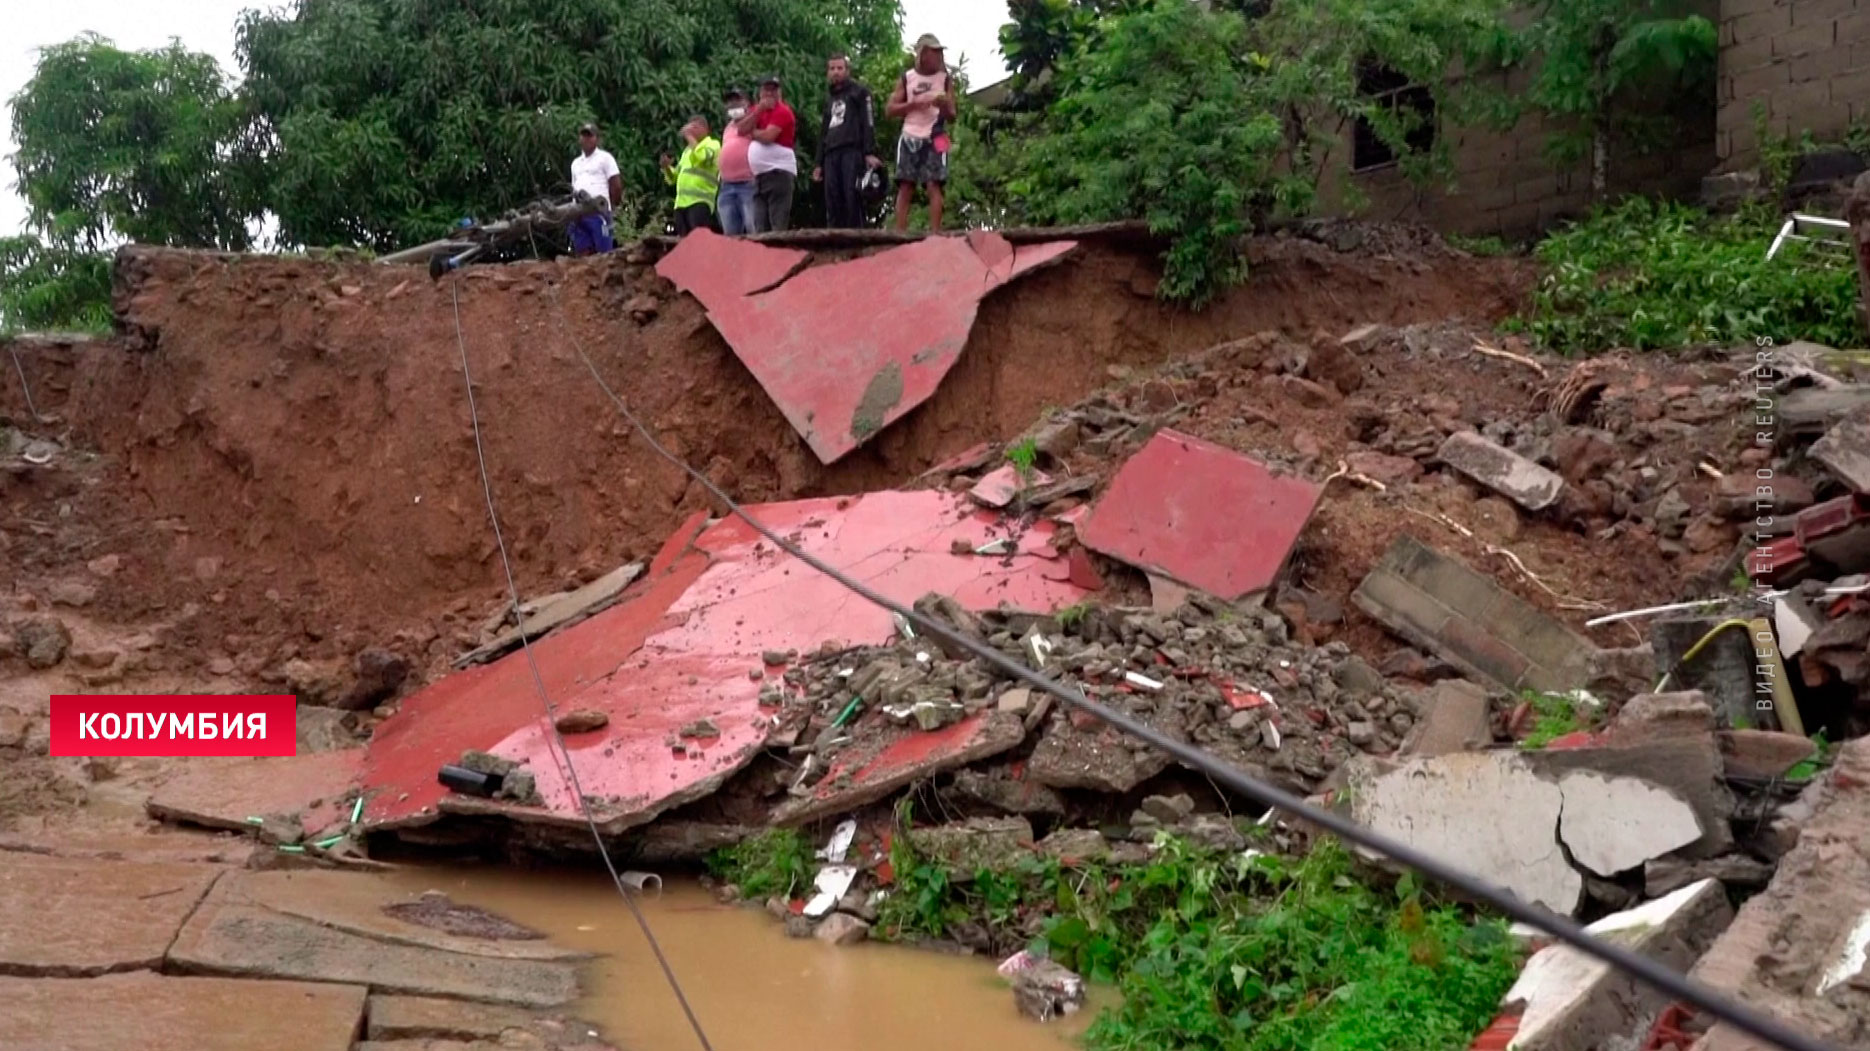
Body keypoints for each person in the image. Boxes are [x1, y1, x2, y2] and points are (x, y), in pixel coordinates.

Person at [886, 35, 957, 233]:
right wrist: (913, 105)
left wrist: (944, 106)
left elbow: (953, 115)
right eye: (935, 52)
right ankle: (900, 231)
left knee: (934, 184)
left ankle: (935, 232)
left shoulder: (945, 80)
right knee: (905, 185)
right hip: (909, 134)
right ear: (924, 54)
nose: (939, 56)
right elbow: (890, 110)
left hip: (937, 135)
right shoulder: (907, 78)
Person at [812, 53, 881, 229]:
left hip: (852, 151)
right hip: (831, 154)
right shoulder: (829, 98)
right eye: (832, 68)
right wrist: (818, 163)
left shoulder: (859, 92)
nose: (836, 72)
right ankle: (834, 242)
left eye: (839, 68)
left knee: (852, 196)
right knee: (832, 199)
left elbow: (868, 122)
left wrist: (869, 151)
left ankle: (855, 241)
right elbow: (823, 131)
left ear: (847, 70)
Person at [736, 75, 798, 233]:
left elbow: (768, 137)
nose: (769, 94)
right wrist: (759, 111)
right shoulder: (757, 110)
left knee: (777, 223)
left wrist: (752, 133)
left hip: (779, 171)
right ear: (760, 92)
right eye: (766, 89)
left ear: (780, 92)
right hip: (760, 175)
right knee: (759, 225)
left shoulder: (783, 111)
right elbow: (741, 129)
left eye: (773, 89)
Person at [661, 115, 721, 237]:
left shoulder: (713, 144)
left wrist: (689, 137)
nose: (691, 131)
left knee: (699, 240)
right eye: (690, 127)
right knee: (684, 241)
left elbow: (702, 157)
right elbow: (673, 178)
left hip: (700, 201)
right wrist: (666, 167)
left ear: (705, 129)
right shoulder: (687, 151)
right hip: (681, 204)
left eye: (695, 127)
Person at [568, 122, 623, 255]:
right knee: (583, 253)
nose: (586, 139)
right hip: (579, 214)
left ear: (596, 139)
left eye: (590, 136)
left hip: (599, 213)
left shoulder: (605, 158)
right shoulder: (575, 163)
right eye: (583, 136)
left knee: (604, 253)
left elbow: (616, 184)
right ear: (579, 139)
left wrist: (612, 208)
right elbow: (574, 188)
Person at [717, 88, 757, 236]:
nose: (733, 104)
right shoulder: (728, 127)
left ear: (746, 102)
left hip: (748, 183)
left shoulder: (753, 122)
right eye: (730, 101)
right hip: (727, 185)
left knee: (754, 232)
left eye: (737, 100)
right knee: (730, 236)